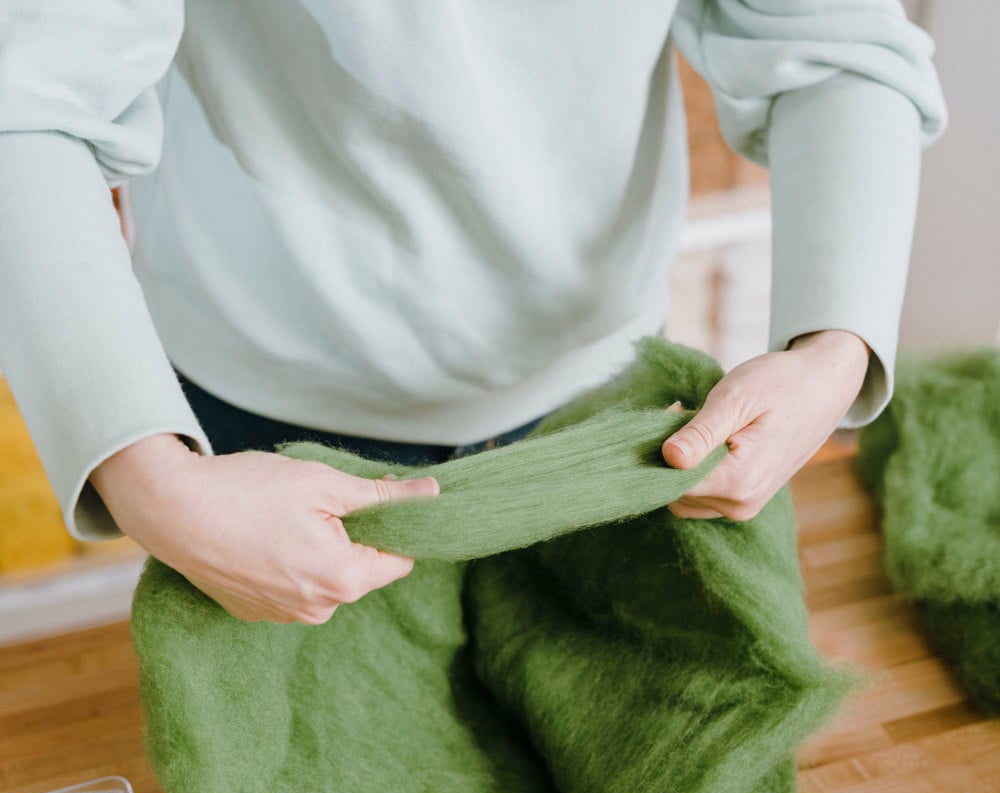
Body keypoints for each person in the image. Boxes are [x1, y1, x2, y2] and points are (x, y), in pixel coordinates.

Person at [0, 1, 947, 625]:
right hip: (255, 425)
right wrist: (147, 478)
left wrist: (835, 346)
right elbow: (24, 105)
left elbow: (835, 46)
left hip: (610, 420)